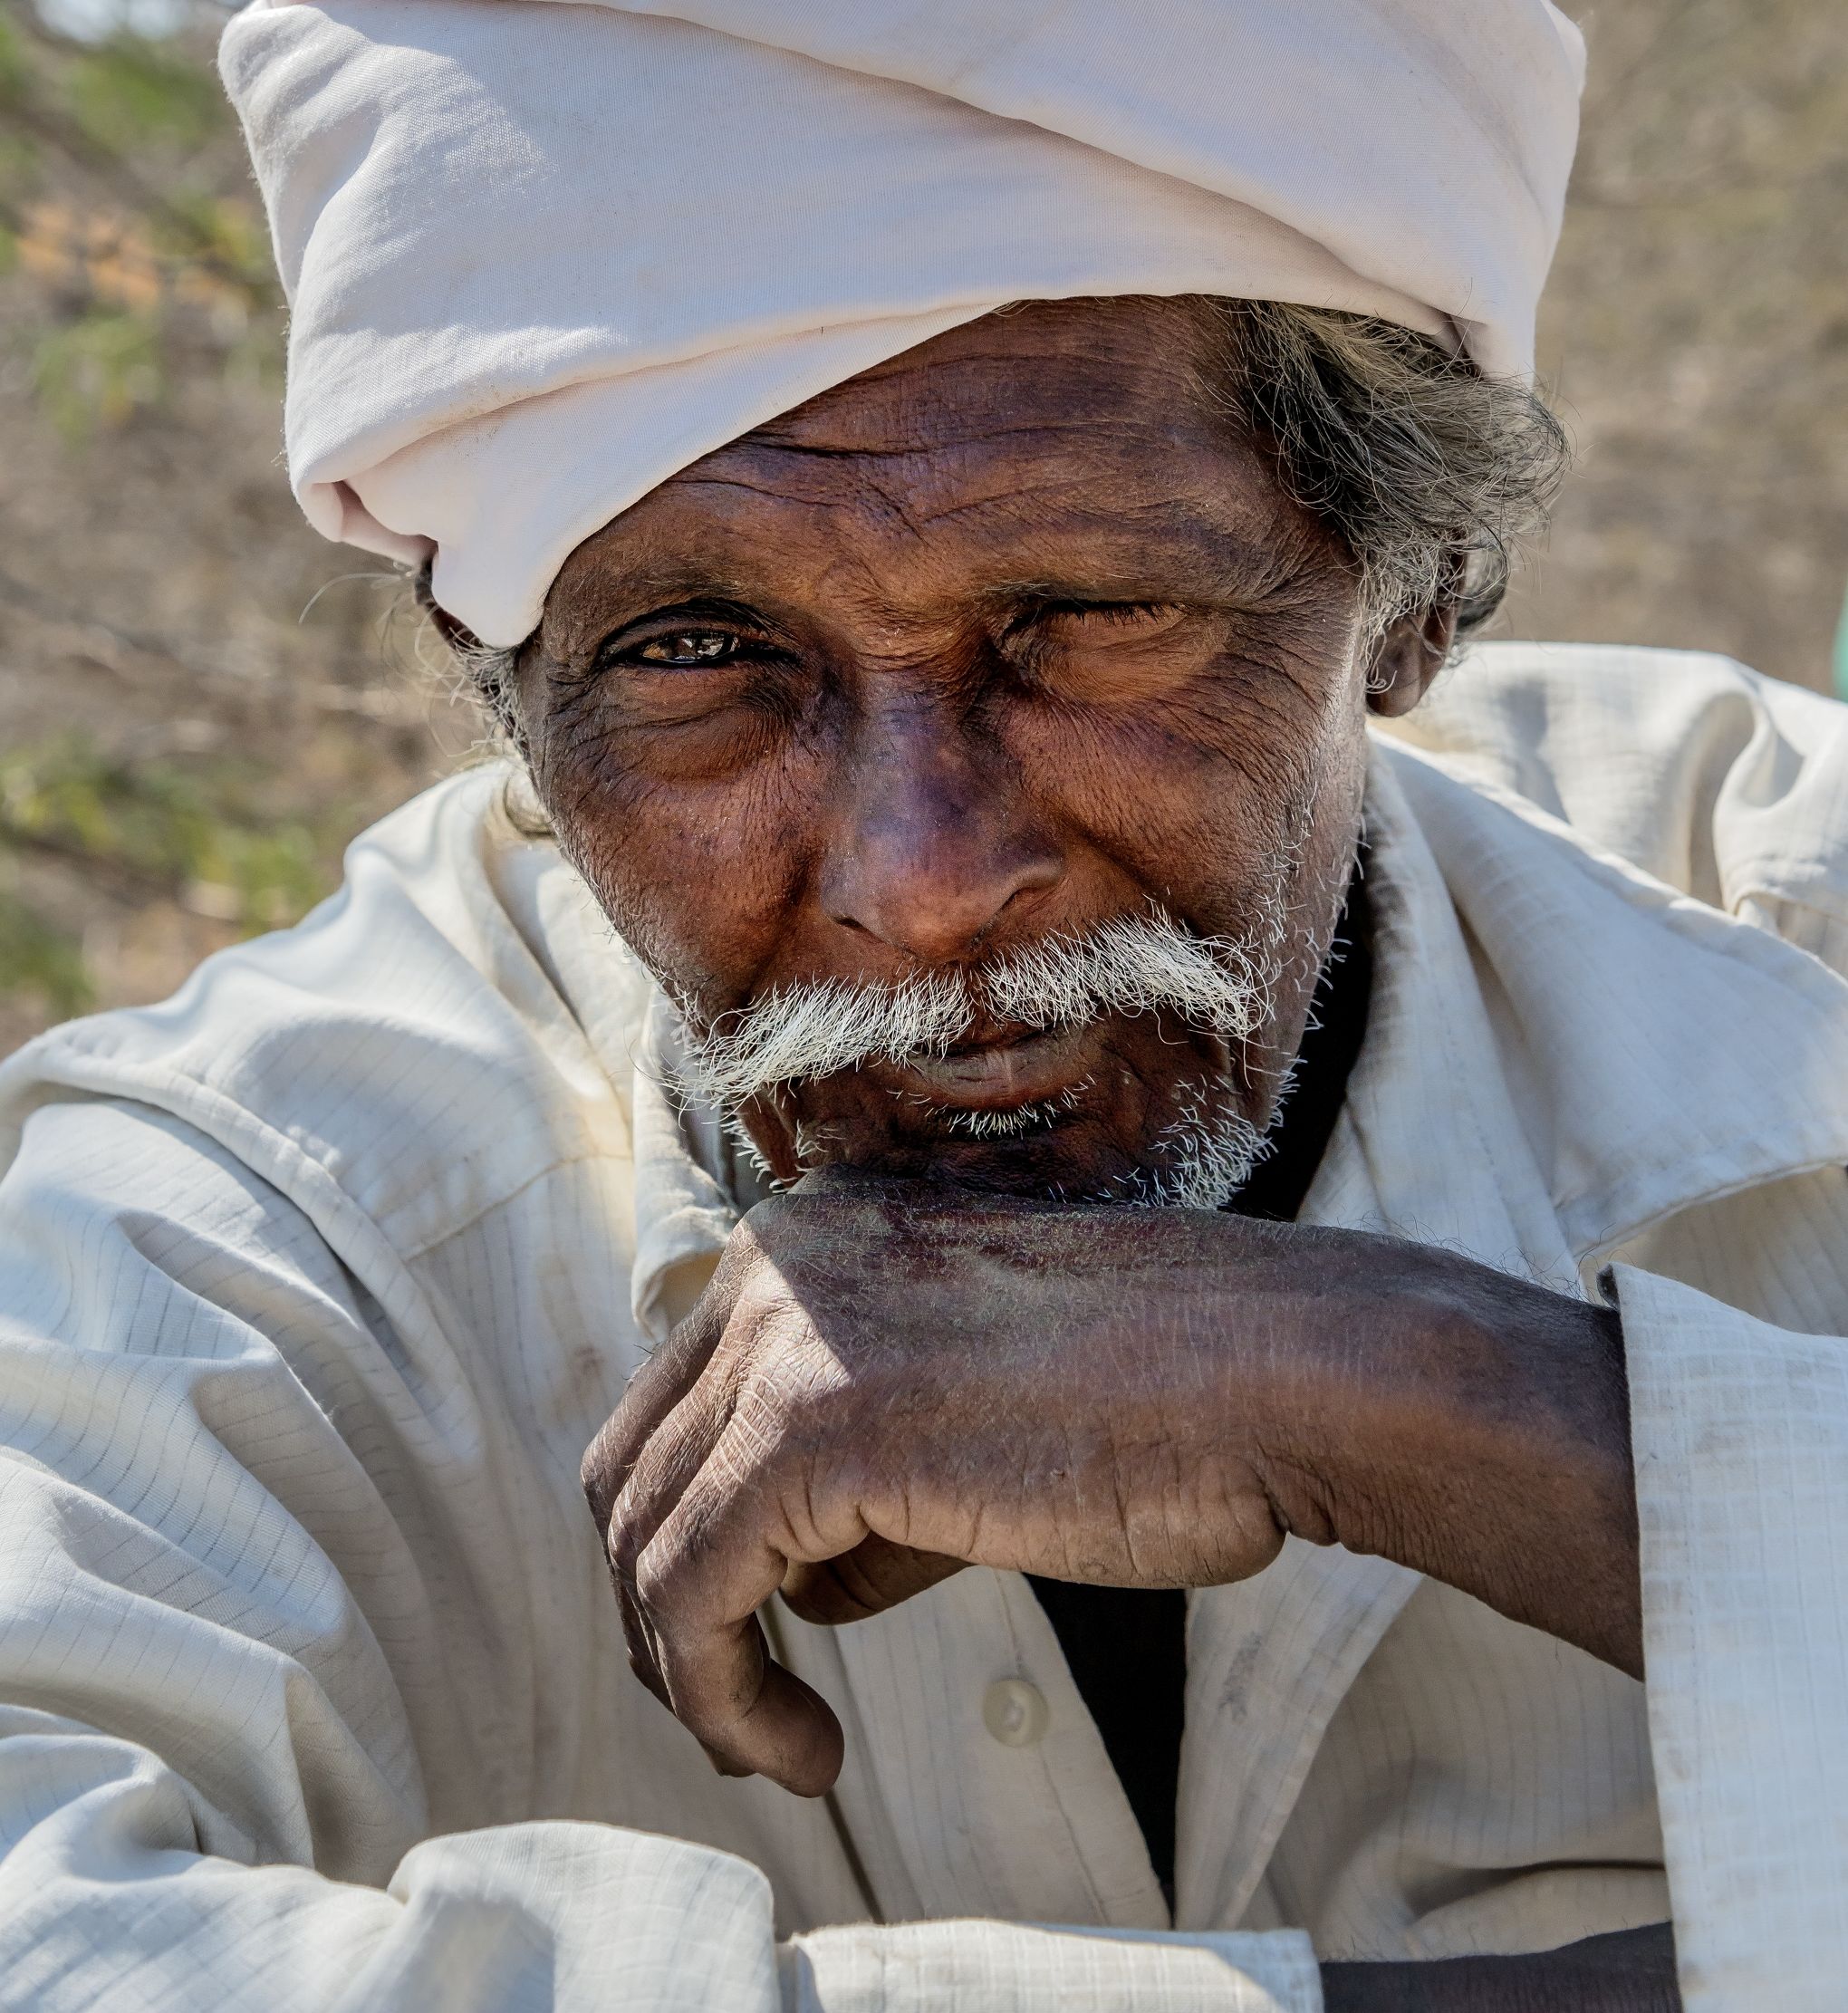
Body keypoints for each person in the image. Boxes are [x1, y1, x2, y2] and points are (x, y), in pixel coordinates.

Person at [0, 5, 1843, 2009]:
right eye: (697, 653)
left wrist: (1464, 1407)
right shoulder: (260, 1223)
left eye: (1094, 615)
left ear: (1413, 592)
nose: (929, 876)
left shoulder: (1794, 942)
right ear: (503, 688)